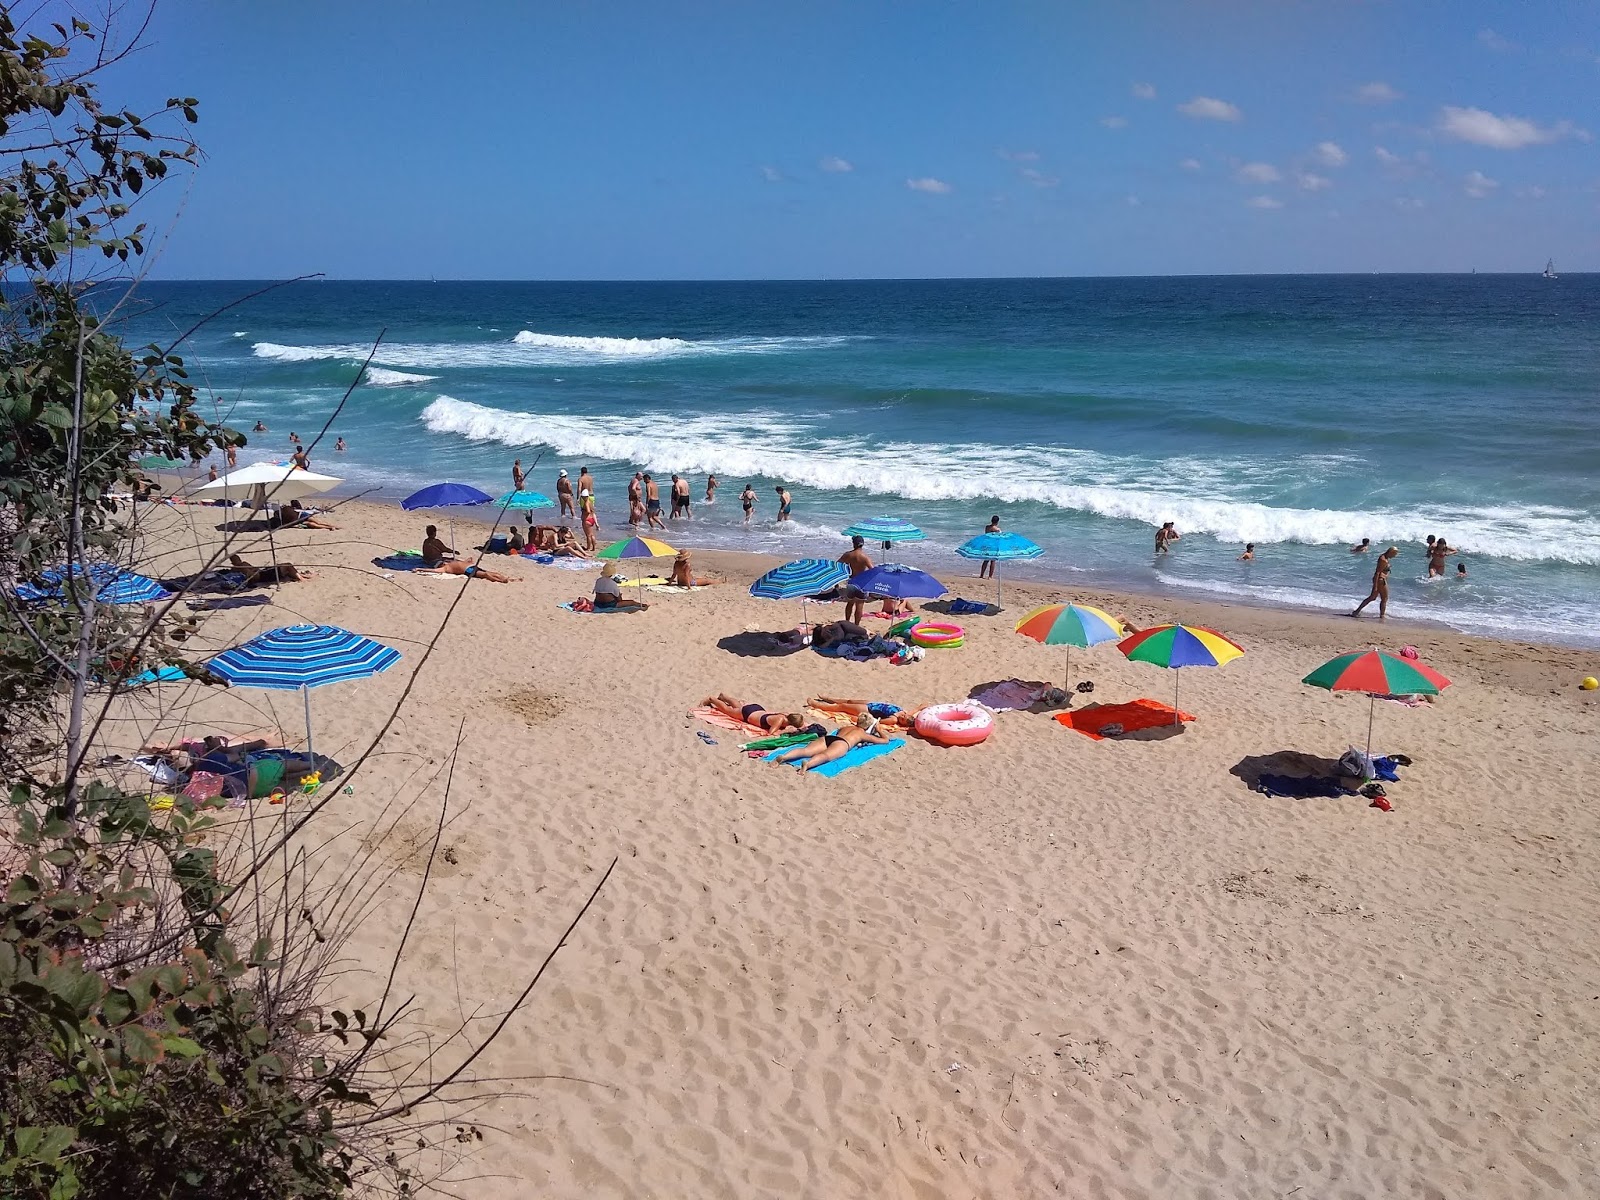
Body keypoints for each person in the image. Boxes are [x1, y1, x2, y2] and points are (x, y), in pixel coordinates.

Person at [768, 713, 896, 773]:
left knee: (806, 750)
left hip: (829, 738)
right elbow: (884, 741)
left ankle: (784, 757)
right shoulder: (862, 734)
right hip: (842, 743)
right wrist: (879, 730)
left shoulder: (845, 727)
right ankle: (808, 764)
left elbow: (839, 731)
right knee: (826, 756)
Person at [700, 694, 809, 733]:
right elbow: (772, 733)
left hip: (756, 710)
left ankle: (724, 697)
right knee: (727, 711)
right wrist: (785, 731)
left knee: (738, 707)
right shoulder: (779, 720)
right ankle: (711, 699)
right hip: (749, 714)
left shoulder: (786, 715)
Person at [1352, 546, 1399, 620]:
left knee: (1372, 597)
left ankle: (1356, 612)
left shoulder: (1384, 558)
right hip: (1381, 580)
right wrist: (1375, 586)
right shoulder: (1383, 560)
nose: (1395, 556)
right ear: (1391, 552)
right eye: (1394, 554)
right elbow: (1377, 572)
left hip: (1381, 579)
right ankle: (1382, 615)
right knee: (1384, 598)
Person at [839, 535, 873, 623]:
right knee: (860, 605)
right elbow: (872, 570)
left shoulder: (848, 555)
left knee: (850, 603)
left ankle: (847, 622)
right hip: (862, 583)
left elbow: (837, 565)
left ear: (853, 544)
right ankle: (856, 625)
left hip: (851, 581)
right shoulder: (865, 557)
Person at [227, 553, 313, 585]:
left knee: (285, 567)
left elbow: (254, 569)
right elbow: (253, 576)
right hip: (263, 576)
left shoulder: (240, 566)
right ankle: (301, 578)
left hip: (262, 573)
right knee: (287, 565)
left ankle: (300, 576)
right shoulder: (241, 567)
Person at [414, 560, 519, 583]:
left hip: (472, 566)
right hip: (468, 570)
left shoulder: (450, 563)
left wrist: (469, 560)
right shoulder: (445, 568)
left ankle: (508, 578)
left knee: (491, 572)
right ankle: (502, 580)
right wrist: (419, 569)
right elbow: (433, 570)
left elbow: (468, 561)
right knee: (486, 574)